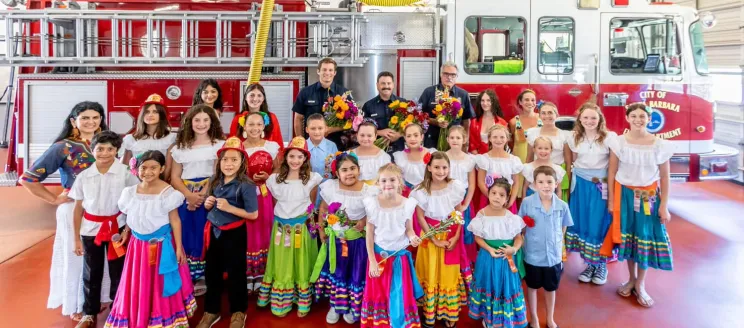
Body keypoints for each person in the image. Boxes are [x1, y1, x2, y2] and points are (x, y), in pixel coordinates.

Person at [20, 101, 110, 321]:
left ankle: (97, 299)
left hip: (104, 210)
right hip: (74, 211)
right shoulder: (64, 147)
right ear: (74, 121)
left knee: (103, 257)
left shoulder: (106, 143)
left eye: (96, 117)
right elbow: (28, 178)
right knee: (77, 258)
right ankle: (77, 303)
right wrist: (54, 198)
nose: (91, 122)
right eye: (85, 118)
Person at [104, 150, 196, 328]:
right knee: (139, 283)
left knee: (157, 284)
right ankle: (138, 315)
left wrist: (178, 248)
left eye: (153, 168)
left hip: (161, 246)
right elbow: (133, 214)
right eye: (143, 168)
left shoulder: (169, 193)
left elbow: (175, 221)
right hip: (137, 246)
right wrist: (126, 232)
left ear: (162, 168)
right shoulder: (130, 192)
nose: (148, 172)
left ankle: (161, 318)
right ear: (136, 169)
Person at [604, 102, 674, 308]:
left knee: (643, 237)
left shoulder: (659, 144)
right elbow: (612, 172)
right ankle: (631, 279)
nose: (638, 120)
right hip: (624, 194)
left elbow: (665, 175)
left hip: (647, 196)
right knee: (629, 237)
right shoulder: (618, 142)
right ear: (627, 118)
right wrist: (610, 199)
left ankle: (641, 284)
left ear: (649, 119)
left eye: (642, 116)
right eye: (633, 116)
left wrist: (664, 205)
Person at [70, 131, 139, 328]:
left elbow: (134, 203)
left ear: (117, 151)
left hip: (118, 229)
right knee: (92, 272)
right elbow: (77, 209)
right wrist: (76, 238)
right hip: (91, 230)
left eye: (110, 149)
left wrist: (128, 230)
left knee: (118, 271)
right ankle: (89, 313)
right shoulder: (84, 176)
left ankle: (118, 311)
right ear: (92, 150)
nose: (105, 153)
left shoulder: (126, 174)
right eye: (100, 149)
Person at [197, 137, 259, 328]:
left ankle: (239, 312)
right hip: (214, 232)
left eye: (234, 159)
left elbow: (253, 214)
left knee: (236, 273)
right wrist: (208, 204)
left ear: (241, 162)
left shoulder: (246, 185)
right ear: (219, 162)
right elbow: (210, 203)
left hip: (234, 233)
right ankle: (211, 310)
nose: (229, 164)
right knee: (212, 272)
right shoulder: (215, 181)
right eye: (225, 159)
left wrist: (230, 208)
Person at [259, 137, 323, 317]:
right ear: (286, 157)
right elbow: (273, 202)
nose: (295, 161)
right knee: (283, 261)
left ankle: (302, 297)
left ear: (305, 159)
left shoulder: (312, 179)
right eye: (292, 156)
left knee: (301, 260)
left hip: (301, 227)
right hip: (281, 227)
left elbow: (312, 203)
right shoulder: (274, 180)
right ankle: (282, 299)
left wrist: (308, 222)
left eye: (300, 157)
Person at [312, 152, 378, 324]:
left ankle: (353, 307)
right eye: (344, 170)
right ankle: (335, 305)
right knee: (338, 272)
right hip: (336, 243)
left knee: (355, 274)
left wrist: (363, 221)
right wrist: (321, 231)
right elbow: (324, 209)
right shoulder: (331, 187)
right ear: (337, 173)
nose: (349, 173)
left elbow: (375, 213)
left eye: (353, 169)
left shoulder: (368, 190)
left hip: (358, 243)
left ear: (359, 170)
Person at [169, 104, 226, 296]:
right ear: (189, 122)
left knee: (206, 234)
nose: (201, 124)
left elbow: (219, 172)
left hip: (210, 194)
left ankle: (205, 275)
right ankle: (187, 275)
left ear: (212, 122)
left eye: (205, 120)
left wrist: (202, 195)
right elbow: (175, 177)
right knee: (187, 232)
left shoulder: (219, 145)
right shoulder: (179, 148)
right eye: (197, 120)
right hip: (185, 197)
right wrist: (189, 195)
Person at [411, 152, 470, 328]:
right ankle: (429, 312)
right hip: (430, 236)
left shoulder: (455, 187)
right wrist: (434, 239)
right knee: (430, 272)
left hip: (450, 235)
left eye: (444, 167)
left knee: (448, 274)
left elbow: (458, 211)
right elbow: (420, 217)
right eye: (436, 167)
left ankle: (448, 312)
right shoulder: (420, 191)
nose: (441, 171)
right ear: (429, 168)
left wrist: (457, 234)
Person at [360, 163, 423, 328]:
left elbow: (408, 230)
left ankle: (399, 323)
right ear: (378, 184)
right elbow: (369, 235)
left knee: (398, 293)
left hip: (398, 259)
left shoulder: (408, 204)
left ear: (399, 182)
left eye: (392, 179)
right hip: (379, 259)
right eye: (383, 180)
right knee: (379, 293)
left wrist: (413, 237)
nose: (388, 183)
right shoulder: (372, 204)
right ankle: (380, 323)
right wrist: (372, 260)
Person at [565, 103, 617, 286]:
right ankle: (589, 264)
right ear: (579, 119)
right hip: (580, 184)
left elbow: (613, 167)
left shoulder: (609, 138)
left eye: (593, 118)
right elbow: (570, 163)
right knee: (583, 221)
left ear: (600, 119)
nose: (589, 121)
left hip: (599, 185)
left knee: (598, 223)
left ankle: (601, 264)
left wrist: (611, 193)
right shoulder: (573, 138)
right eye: (585, 117)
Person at [468, 176, 528, 328]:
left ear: (507, 199)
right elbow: (478, 237)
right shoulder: (481, 215)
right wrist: (489, 249)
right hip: (488, 258)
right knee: (489, 285)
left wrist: (513, 249)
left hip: (506, 260)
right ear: (488, 194)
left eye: (501, 195)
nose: (496, 197)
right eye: (493, 193)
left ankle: (505, 318)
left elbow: (518, 238)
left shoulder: (511, 218)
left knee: (505, 287)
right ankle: (489, 318)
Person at [518, 166, 573, 328]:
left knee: (551, 289)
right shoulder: (527, 203)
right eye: (540, 182)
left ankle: (550, 318)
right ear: (534, 184)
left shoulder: (562, 205)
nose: (545, 185)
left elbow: (564, 227)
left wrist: (558, 244)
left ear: (556, 183)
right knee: (532, 288)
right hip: (533, 256)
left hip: (553, 257)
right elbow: (521, 226)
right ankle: (534, 318)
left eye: (549, 182)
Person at [240, 112, 282, 292]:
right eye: (251, 124)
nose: (255, 128)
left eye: (258, 124)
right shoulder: (238, 147)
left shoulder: (272, 146)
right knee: (247, 233)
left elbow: (279, 169)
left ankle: (264, 274)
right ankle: (248, 274)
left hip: (265, 195)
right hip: (244, 195)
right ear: (244, 127)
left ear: (263, 127)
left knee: (265, 230)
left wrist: (268, 176)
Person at [292, 57, 350, 150]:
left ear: (334, 73)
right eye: (324, 69)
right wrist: (301, 143)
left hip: (336, 145)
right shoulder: (305, 92)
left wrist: (331, 129)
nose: (327, 73)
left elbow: (350, 122)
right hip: (310, 146)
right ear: (318, 71)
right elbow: (298, 119)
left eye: (330, 70)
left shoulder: (343, 93)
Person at [418, 62, 475, 150]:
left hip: (455, 142)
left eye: (453, 75)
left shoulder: (463, 94)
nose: (449, 77)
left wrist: (465, 141)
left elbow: (466, 120)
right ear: (441, 75)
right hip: (432, 140)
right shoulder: (429, 92)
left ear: (456, 77)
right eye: (446, 74)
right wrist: (435, 122)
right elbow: (419, 115)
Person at [121, 94, 176, 181]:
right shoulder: (130, 139)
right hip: (135, 183)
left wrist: (159, 185)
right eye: (147, 112)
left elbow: (169, 167)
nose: (150, 115)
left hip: (160, 184)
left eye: (155, 112)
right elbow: (124, 167)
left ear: (162, 115)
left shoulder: (171, 138)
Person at [526, 102, 572, 201]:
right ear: (539, 115)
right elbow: (529, 158)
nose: (547, 116)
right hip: (537, 177)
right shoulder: (532, 133)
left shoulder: (564, 135)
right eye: (544, 113)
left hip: (557, 177)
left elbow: (568, 163)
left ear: (556, 115)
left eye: (550, 113)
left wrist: (567, 184)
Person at [445, 126, 477, 263]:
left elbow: (472, 185)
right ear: (447, 139)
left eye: (458, 138)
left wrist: (465, 204)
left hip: (463, 200)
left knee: (464, 229)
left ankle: (466, 261)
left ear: (464, 140)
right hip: (446, 200)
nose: (455, 140)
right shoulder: (443, 156)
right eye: (452, 137)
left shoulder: (469, 159)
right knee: (449, 229)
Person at [475, 125, 524, 214]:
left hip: (506, 199)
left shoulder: (513, 160)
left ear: (507, 139)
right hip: (488, 199)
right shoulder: (484, 159)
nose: (498, 140)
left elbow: (516, 182)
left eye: (502, 137)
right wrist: (492, 198)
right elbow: (481, 182)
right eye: (495, 137)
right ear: (489, 138)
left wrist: (510, 200)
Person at [230, 83, 285, 150]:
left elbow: (279, 142)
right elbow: (232, 143)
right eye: (252, 95)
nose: (255, 99)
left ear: (263, 99)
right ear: (245, 98)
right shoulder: (237, 119)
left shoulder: (272, 117)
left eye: (259, 95)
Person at [361, 71, 406, 154]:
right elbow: (362, 129)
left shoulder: (403, 104)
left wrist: (399, 134)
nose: (386, 86)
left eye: (389, 83)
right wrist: (379, 132)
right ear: (377, 85)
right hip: (376, 150)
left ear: (393, 85)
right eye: (383, 83)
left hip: (400, 151)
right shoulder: (368, 105)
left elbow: (411, 126)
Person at [508, 90, 542, 200]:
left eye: (533, 100)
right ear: (520, 102)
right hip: (520, 163)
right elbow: (511, 142)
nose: (530, 102)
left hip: (538, 161)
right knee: (518, 194)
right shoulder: (513, 122)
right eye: (526, 100)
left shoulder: (542, 119)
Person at [468, 89, 508, 155]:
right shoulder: (474, 122)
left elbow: (504, 145)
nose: (485, 103)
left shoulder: (502, 122)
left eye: (488, 100)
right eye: (482, 100)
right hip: (478, 158)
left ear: (493, 102)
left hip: (496, 157)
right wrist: (481, 161)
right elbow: (472, 146)